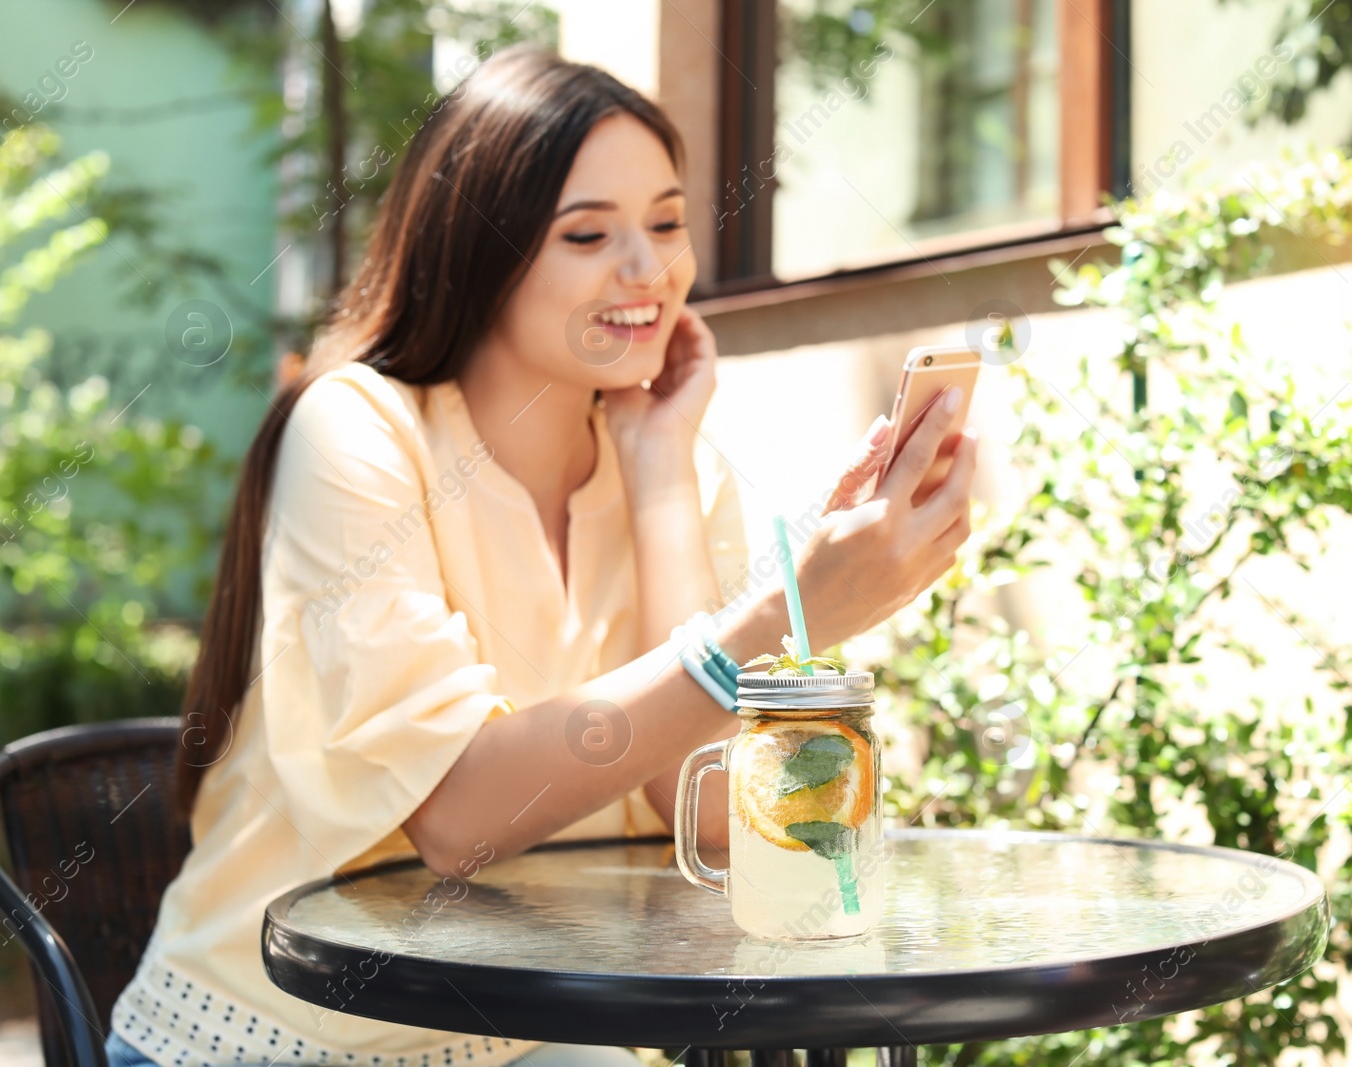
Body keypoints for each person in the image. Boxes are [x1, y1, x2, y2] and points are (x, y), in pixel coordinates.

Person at [106, 45, 977, 1067]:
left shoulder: (680, 463)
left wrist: (658, 477)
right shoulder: (355, 431)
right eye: (588, 235)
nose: (648, 270)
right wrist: (788, 615)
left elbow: (700, 813)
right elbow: (458, 817)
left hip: (530, 1034)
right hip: (280, 1032)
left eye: (664, 222)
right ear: (480, 252)